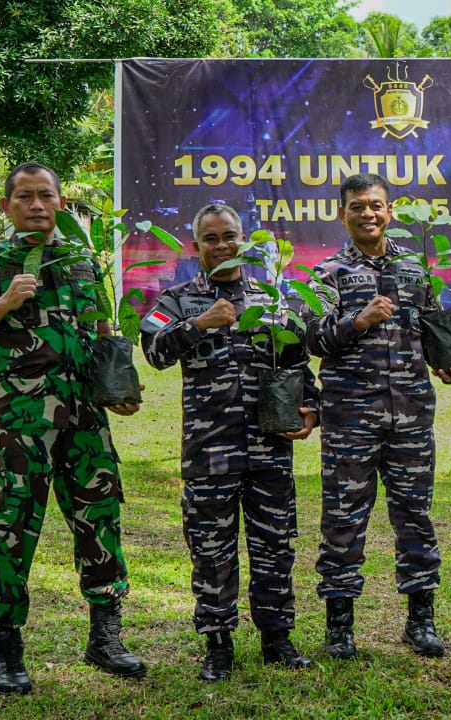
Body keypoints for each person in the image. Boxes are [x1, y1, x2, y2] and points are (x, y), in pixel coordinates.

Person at [0, 162, 145, 695]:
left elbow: (101, 330)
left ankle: (105, 638)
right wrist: (6, 301)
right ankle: (5, 651)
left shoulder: (82, 260)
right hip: (19, 422)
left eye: (45, 196)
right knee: (8, 526)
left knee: (100, 521)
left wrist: (118, 387)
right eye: (24, 196)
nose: (36, 205)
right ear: (7, 205)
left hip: (85, 420)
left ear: (60, 202)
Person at [140, 203, 318, 682]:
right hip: (209, 451)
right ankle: (217, 644)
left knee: (275, 546)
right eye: (211, 238)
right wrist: (198, 325)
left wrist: (312, 410)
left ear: (244, 239)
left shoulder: (271, 299)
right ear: (196, 246)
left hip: (269, 450)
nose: (222, 246)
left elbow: (298, 365)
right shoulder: (179, 299)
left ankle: (277, 638)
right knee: (212, 551)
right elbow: (152, 350)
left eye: (229, 236)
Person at [304, 173, 451, 660]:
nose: (368, 213)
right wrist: (357, 320)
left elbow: (433, 332)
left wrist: (450, 366)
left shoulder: (415, 268)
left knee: (415, 516)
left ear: (390, 211)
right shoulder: (328, 273)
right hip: (350, 418)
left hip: (411, 416)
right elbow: (311, 338)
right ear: (342, 214)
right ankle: (340, 626)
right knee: (343, 519)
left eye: (376, 205)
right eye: (358, 206)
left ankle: (421, 621)